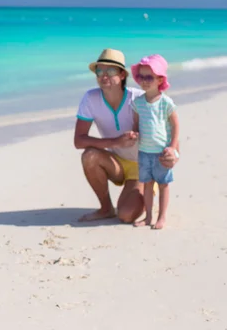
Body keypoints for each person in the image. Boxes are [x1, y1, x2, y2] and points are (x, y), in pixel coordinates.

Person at [73, 48, 179, 223]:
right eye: (100, 70)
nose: (104, 75)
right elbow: (79, 140)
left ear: (122, 75)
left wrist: (173, 154)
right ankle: (106, 208)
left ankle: (146, 189)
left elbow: (168, 130)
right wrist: (116, 142)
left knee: (126, 215)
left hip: (142, 165)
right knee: (89, 156)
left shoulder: (139, 98)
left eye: (111, 70)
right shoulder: (90, 98)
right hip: (116, 162)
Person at [130, 54, 180, 230]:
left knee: (163, 185)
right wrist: (133, 135)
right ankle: (148, 216)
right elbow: (136, 125)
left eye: (149, 77)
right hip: (144, 152)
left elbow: (175, 126)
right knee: (147, 185)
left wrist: (173, 148)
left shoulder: (166, 102)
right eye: (141, 77)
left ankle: (162, 217)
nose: (144, 81)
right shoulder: (137, 103)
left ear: (160, 79)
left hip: (161, 153)